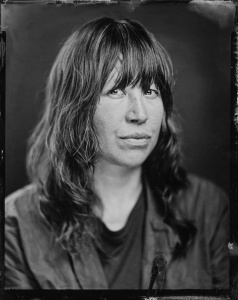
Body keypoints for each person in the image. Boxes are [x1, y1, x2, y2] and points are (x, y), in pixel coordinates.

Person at [5, 17, 229, 290]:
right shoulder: (15, 223)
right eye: (115, 91)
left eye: (150, 91)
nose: (140, 114)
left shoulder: (208, 208)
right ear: (75, 106)